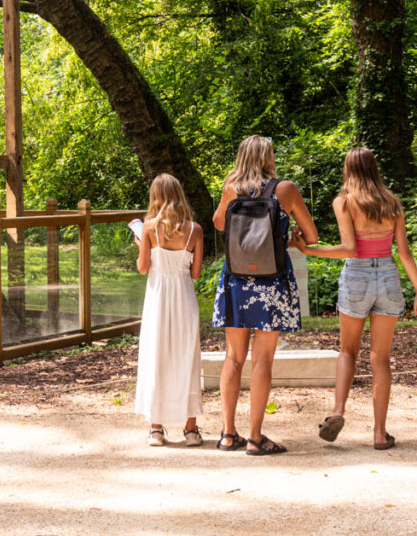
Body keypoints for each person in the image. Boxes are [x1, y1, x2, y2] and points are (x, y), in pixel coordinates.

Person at [295, 147, 417, 449]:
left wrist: (308, 250)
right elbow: (404, 254)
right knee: (380, 358)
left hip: (356, 277)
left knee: (348, 351)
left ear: (348, 170)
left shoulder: (345, 202)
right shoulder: (392, 203)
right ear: (374, 168)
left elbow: (348, 249)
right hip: (387, 276)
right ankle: (380, 434)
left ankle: (338, 412)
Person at [212, 135, 318, 455]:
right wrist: (292, 235)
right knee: (263, 359)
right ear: (268, 157)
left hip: (236, 280)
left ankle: (228, 434)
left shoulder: (231, 187)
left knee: (233, 358)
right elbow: (311, 236)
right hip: (271, 282)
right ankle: (256, 437)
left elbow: (219, 224)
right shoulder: (285, 189)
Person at [134, 174, 205, 447]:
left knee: (157, 355)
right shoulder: (195, 230)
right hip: (184, 297)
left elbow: (143, 268)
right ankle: (190, 429)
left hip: (158, 299)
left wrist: (142, 245)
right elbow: (196, 273)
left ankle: (155, 428)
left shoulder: (149, 229)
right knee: (186, 357)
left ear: (156, 197)